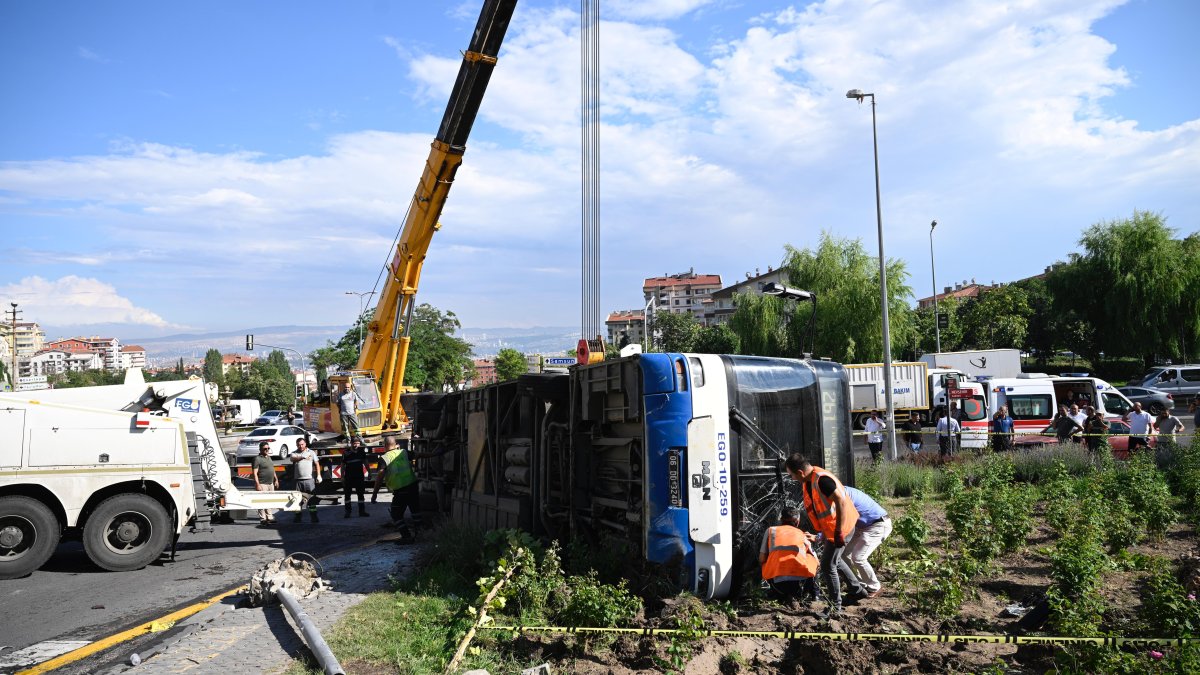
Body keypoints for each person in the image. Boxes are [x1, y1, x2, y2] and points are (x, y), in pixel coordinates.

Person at [784, 454, 864, 616]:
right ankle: (857, 590)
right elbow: (823, 512)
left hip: (842, 528)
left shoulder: (821, 480)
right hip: (833, 529)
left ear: (800, 472)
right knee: (836, 560)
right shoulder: (810, 481)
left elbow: (840, 501)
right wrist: (820, 535)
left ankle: (836, 607)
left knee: (828, 565)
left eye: (791, 475)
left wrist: (839, 531)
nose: (791, 478)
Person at [759, 507, 820, 603]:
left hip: (777, 584)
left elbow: (762, 558)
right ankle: (815, 595)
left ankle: (778, 593)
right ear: (797, 521)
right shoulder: (802, 534)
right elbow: (818, 562)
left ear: (781, 519)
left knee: (766, 560)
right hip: (799, 583)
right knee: (812, 559)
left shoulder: (771, 530)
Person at [372, 435, 423, 544]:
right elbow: (420, 455)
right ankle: (421, 535)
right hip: (413, 486)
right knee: (415, 512)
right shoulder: (403, 452)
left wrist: (375, 494)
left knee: (396, 514)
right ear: (395, 445)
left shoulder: (384, 458)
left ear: (385, 446)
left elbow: (380, 477)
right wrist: (436, 453)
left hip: (401, 490)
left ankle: (406, 537)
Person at [843, 486, 891, 598]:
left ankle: (875, 587)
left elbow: (843, 521)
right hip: (862, 526)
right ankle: (861, 584)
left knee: (858, 557)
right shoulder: (840, 490)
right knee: (844, 554)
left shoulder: (843, 495)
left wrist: (821, 536)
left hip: (877, 524)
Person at [289, 436, 322, 523]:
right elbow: (292, 458)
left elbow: (317, 464)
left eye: (302, 444)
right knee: (297, 500)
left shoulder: (311, 452)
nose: (301, 446)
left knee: (311, 499)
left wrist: (319, 475)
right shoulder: (294, 453)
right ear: (296, 445)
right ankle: (298, 517)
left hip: (309, 480)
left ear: (305, 444)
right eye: (299, 445)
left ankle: (314, 517)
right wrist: (302, 457)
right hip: (298, 480)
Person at [341, 436, 370, 518]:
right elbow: (343, 465)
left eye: (358, 443)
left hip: (359, 477)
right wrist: (342, 477)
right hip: (349, 477)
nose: (356, 445)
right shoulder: (346, 453)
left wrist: (369, 472)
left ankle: (362, 511)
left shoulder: (361, 452)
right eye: (355, 443)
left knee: (361, 494)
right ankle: (348, 512)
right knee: (347, 495)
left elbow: (366, 463)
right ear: (351, 443)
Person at [252, 441, 279, 526]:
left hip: (270, 483)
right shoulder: (257, 459)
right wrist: (257, 484)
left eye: (268, 448)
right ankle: (263, 518)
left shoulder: (269, 457)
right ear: (260, 449)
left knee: (270, 501)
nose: (267, 450)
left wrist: (276, 479)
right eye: (265, 449)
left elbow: (273, 469)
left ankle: (270, 517)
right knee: (261, 501)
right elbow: (255, 473)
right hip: (262, 483)